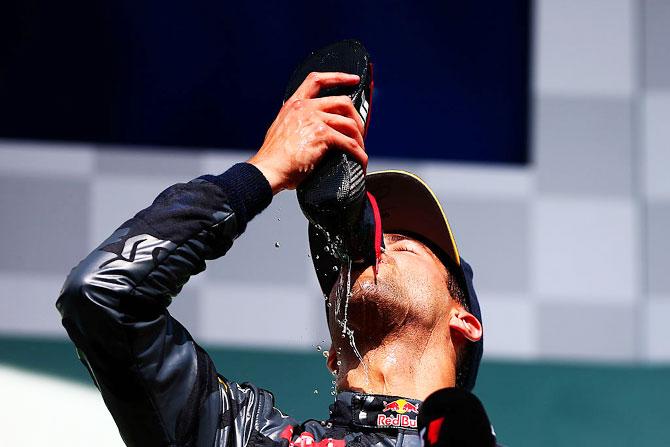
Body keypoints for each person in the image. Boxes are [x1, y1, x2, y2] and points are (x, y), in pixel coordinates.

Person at [57, 72, 490, 447]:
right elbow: (103, 295)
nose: (372, 244)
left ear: (464, 321)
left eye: (404, 239)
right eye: (341, 265)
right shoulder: (243, 436)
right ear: (332, 357)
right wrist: (259, 175)